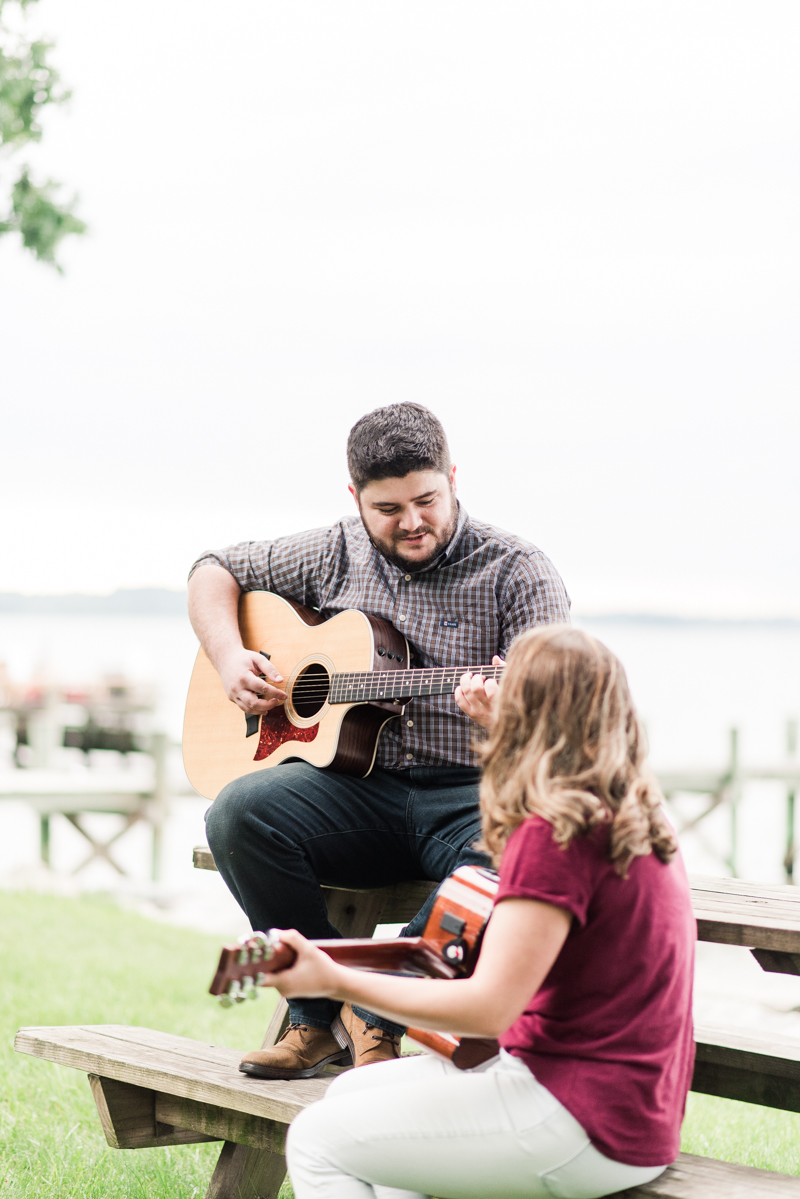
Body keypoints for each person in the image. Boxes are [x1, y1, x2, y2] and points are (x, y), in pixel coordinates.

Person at [188, 402, 571, 1079]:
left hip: (472, 789)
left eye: (427, 499)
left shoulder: (519, 570)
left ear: (453, 477)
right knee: (236, 813)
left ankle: (376, 1015)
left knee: (521, 841)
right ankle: (316, 1017)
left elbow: (559, 722)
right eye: (388, 508)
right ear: (356, 499)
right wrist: (227, 657)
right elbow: (213, 567)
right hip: (356, 788)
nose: (413, 520)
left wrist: (506, 717)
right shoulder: (334, 549)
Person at [264, 626, 696, 1199]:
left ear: (526, 717)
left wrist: (335, 977)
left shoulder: (553, 832)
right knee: (350, 1101)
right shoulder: (633, 806)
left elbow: (488, 1010)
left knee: (317, 1138)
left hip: (578, 1117)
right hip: (627, 1109)